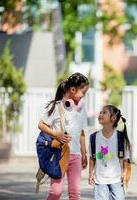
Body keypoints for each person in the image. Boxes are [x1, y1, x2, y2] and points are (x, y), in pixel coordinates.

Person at [38, 72, 89, 200]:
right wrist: (56, 134)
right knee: (56, 192)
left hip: (76, 156)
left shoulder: (82, 109)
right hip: (59, 155)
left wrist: (84, 153)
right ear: (72, 89)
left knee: (75, 193)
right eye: (83, 92)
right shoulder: (56, 106)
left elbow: (82, 133)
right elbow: (41, 125)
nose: (84, 96)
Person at [89, 105, 131, 200]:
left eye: (104, 112)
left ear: (113, 118)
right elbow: (92, 157)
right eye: (100, 112)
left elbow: (125, 159)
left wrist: (124, 173)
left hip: (116, 180)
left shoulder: (120, 138)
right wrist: (90, 173)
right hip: (100, 181)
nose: (100, 114)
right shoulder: (94, 137)